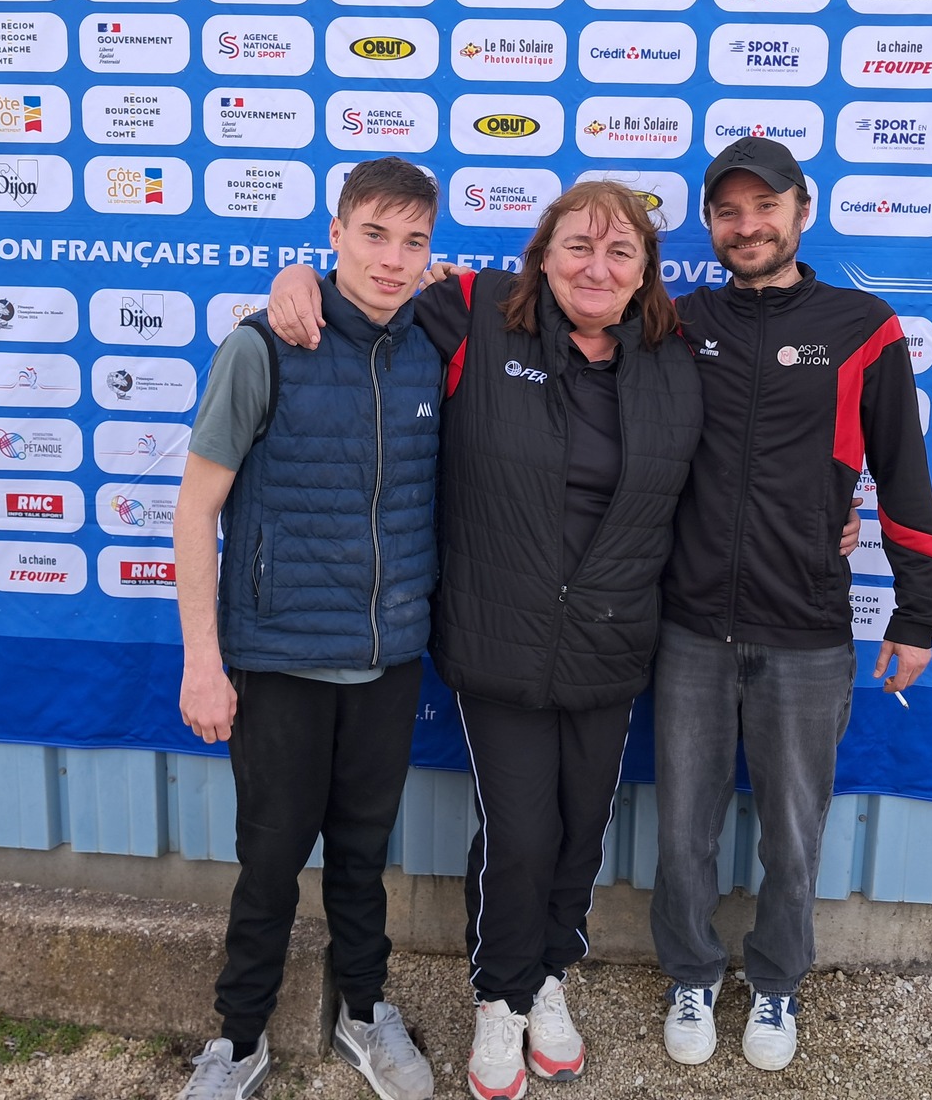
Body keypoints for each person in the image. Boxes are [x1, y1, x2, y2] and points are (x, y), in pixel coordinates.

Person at [269, 181, 704, 1100]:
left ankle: (548, 978)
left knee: (581, 832)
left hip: (611, 638)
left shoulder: (677, 357)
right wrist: (297, 278)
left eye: (619, 252)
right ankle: (500, 998)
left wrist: (832, 520)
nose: (596, 267)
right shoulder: (474, 314)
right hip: (500, 635)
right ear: (542, 256)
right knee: (521, 833)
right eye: (578, 246)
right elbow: (366, 308)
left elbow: (760, 452)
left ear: (644, 274)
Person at [649, 136, 932, 1073]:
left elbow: (904, 473)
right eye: (728, 211)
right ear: (710, 224)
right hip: (690, 625)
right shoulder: (676, 322)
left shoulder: (863, 327)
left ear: (801, 212)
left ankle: (777, 984)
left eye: (765, 207)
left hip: (808, 631)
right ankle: (691, 972)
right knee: (682, 830)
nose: (748, 226)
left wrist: (916, 613)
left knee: (793, 834)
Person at [172, 156, 441, 1100]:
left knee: (362, 861)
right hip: (280, 659)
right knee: (270, 864)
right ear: (334, 235)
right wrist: (203, 663)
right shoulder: (264, 346)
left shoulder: (432, 343)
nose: (392, 259)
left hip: (387, 659)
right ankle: (238, 1041)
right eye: (374, 235)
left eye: (414, 241)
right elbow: (195, 509)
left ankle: (364, 1014)